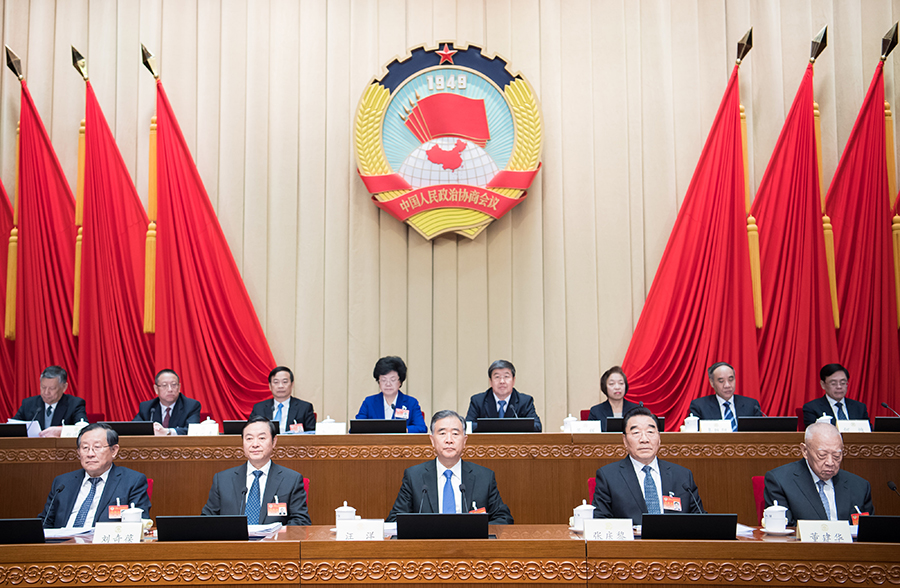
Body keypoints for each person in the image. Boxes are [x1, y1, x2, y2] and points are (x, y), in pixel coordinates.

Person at [387, 410, 513, 524]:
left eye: (455, 434)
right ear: (432, 440)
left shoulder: (484, 477)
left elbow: (504, 518)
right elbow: (394, 520)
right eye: (442, 433)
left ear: (464, 440)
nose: (449, 440)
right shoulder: (414, 476)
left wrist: (477, 530)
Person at [592, 406, 703, 525]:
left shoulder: (682, 476)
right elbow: (600, 522)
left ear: (659, 438)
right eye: (636, 433)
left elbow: (700, 519)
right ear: (625, 440)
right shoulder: (608, 477)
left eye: (650, 432)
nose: (644, 439)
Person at [202, 415, 310, 525]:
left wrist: (276, 533)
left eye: (262, 438)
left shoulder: (291, 480)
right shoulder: (222, 480)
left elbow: (301, 521)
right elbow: (207, 519)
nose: (255, 444)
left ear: (274, 441)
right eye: (249, 439)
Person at [38, 423, 150, 528]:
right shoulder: (63, 483)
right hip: (64, 541)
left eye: (97, 447)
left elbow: (140, 524)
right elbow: (45, 523)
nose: (90, 454)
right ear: (78, 452)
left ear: (114, 450)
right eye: (85, 448)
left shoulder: (132, 481)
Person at [764, 422, 873, 526]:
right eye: (822, 455)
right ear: (805, 451)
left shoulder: (860, 486)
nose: (830, 462)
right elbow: (785, 529)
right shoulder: (780, 481)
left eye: (836, 455)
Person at [465, 360, 542, 432]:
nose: (502, 381)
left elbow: (537, 426)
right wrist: (502, 426)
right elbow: (468, 427)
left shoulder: (525, 401)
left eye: (506, 376)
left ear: (513, 380)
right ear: (490, 381)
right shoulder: (478, 401)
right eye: (497, 377)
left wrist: (501, 426)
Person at [355, 356, 426, 433]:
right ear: (378, 382)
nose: (388, 384)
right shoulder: (369, 402)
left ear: (400, 382)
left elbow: (421, 428)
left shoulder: (411, 403)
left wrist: (402, 430)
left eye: (393, 380)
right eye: (383, 380)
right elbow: (355, 428)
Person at [12, 366, 87, 437]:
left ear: (64, 387)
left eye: (52, 388)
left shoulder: (75, 404)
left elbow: (84, 429)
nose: (46, 392)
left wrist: (61, 431)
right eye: (43, 387)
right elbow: (12, 427)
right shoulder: (28, 404)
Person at [687, 362, 763, 430]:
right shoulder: (699, 406)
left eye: (731, 380)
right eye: (721, 381)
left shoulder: (751, 405)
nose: (727, 385)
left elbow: (761, 434)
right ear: (712, 382)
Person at [132, 369, 201, 436]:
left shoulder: (191, 406)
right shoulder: (147, 407)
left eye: (173, 385)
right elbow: (133, 429)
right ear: (156, 389)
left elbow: (193, 431)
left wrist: (168, 432)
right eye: (164, 385)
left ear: (179, 387)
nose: (170, 389)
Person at [249, 366, 316, 433]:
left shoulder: (304, 408)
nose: (280, 386)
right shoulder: (259, 408)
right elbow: (250, 431)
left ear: (292, 384)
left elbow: (312, 434)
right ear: (270, 386)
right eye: (276, 382)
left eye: (285, 382)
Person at [801, 364, 870, 428]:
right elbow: (812, 433)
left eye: (843, 383)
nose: (839, 387)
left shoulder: (859, 407)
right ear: (823, 384)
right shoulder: (812, 408)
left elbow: (869, 432)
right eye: (833, 383)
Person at [588, 366, 639, 430]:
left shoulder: (636, 410)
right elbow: (591, 435)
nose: (617, 387)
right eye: (612, 384)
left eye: (621, 383)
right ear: (605, 387)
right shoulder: (596, 411)